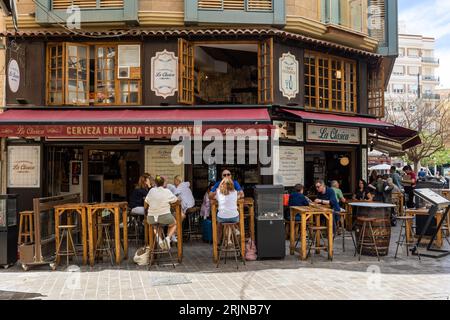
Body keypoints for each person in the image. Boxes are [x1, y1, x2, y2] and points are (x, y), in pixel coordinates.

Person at [144, 175, 178, 250]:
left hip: (151, 218)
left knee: (155, 225)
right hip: (165, 217)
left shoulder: (151, 191)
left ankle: (159, 241)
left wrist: (146, 211)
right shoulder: (167, 191)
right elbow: (176, 200)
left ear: (155, 183)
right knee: (174, 223)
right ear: (164, 183)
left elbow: (145, 202)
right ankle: (168, 239)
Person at [212, 177, 243, 242]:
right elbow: (240, 196)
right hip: (234, 218)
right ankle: (235, 231)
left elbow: (214, 197)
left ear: (221, 184)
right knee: (234, 216)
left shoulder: (218, 192)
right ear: (232, 184)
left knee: (226, 218)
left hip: (221, 218)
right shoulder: (235, 192)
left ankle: (224, 241)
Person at [167, 175, 196, 243]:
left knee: (177, 214)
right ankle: (174, 234)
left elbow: (173, 196)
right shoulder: (185, 185)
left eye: (174, 181)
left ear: (177, 181)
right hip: (191, 204)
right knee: (178, 215)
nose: (174, 183)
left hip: (187, 206)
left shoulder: (180, 186)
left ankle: (173, 233)